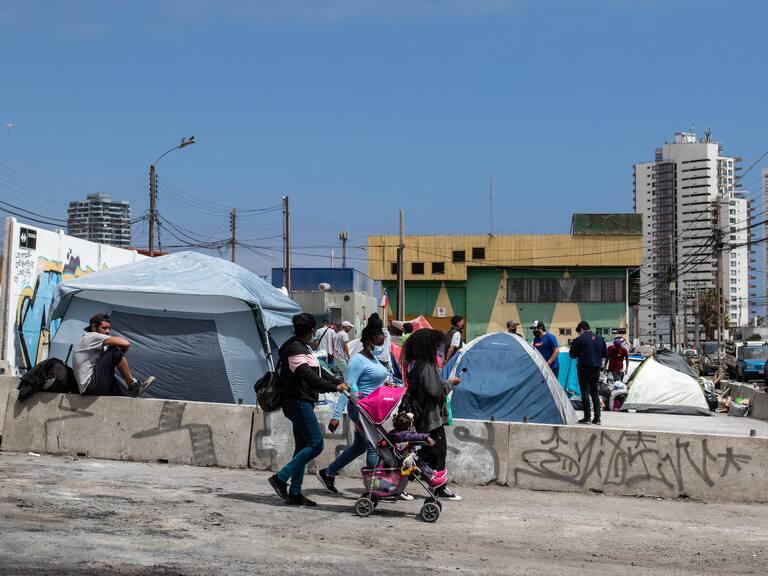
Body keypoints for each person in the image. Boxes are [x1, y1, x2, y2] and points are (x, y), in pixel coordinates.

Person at [268, 313, 349, 507]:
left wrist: (337, 381)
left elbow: (319, 371)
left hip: (304, 401)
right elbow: (308, 377)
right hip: (297, 402)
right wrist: (333, 387)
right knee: (316, 443)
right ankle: (280, 478)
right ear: (312, 330)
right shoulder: (294, 349)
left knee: (302, 446)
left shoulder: (303, 347)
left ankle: (295, 492)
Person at [316, 319, 391, 493]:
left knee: (360, 446)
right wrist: (336, 416)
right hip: (361, 410)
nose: (382, 343)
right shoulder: (357, 361)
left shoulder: (373, 358)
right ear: (370, 341)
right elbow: (347, 388)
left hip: (372, 409)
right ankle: (373, 490)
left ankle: (328, 473)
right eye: (380, 337)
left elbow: (374, 381)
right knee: (373, 446)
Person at [401, 328, 462, 501]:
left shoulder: (414, 364)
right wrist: (450, 383)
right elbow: (436, 391)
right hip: (431, 417)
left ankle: (402, 483)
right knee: (438, 451)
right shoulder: (427, 366)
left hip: (423, 415)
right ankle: (439, 488)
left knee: (429, 452)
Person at [72, 312, 155, 397]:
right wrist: (119, 354)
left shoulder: (93, 342)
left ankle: (129, 393)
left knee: (125, 396)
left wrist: (119, 356)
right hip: (90, 386)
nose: (107, 331)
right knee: (114, 349)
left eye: (108, 328)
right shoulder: (91, 336)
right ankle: (132, 384)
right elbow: (125, 343)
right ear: (93, 327)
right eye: (104, 328)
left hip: (92, 387)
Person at [385, 411, 446, 489]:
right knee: (420, 464)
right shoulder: (404, 435)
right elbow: (416, 436)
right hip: (405, 461)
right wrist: (427, 436)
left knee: (420, 460)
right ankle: (431, 480)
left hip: (403, 457)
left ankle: (433, 474)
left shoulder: (393, 433)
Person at [569, 320, 608, 425]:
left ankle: (587, 417)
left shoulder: (579, 339)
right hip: (596, 368)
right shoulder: (600, 338)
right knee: (595, 392)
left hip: (584, 368)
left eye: (579, 332)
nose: (579, 334)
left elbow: (572, 355)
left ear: (582, 329)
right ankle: (597, 418)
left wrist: (574, 346)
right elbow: (605, 354)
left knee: (585, 392)